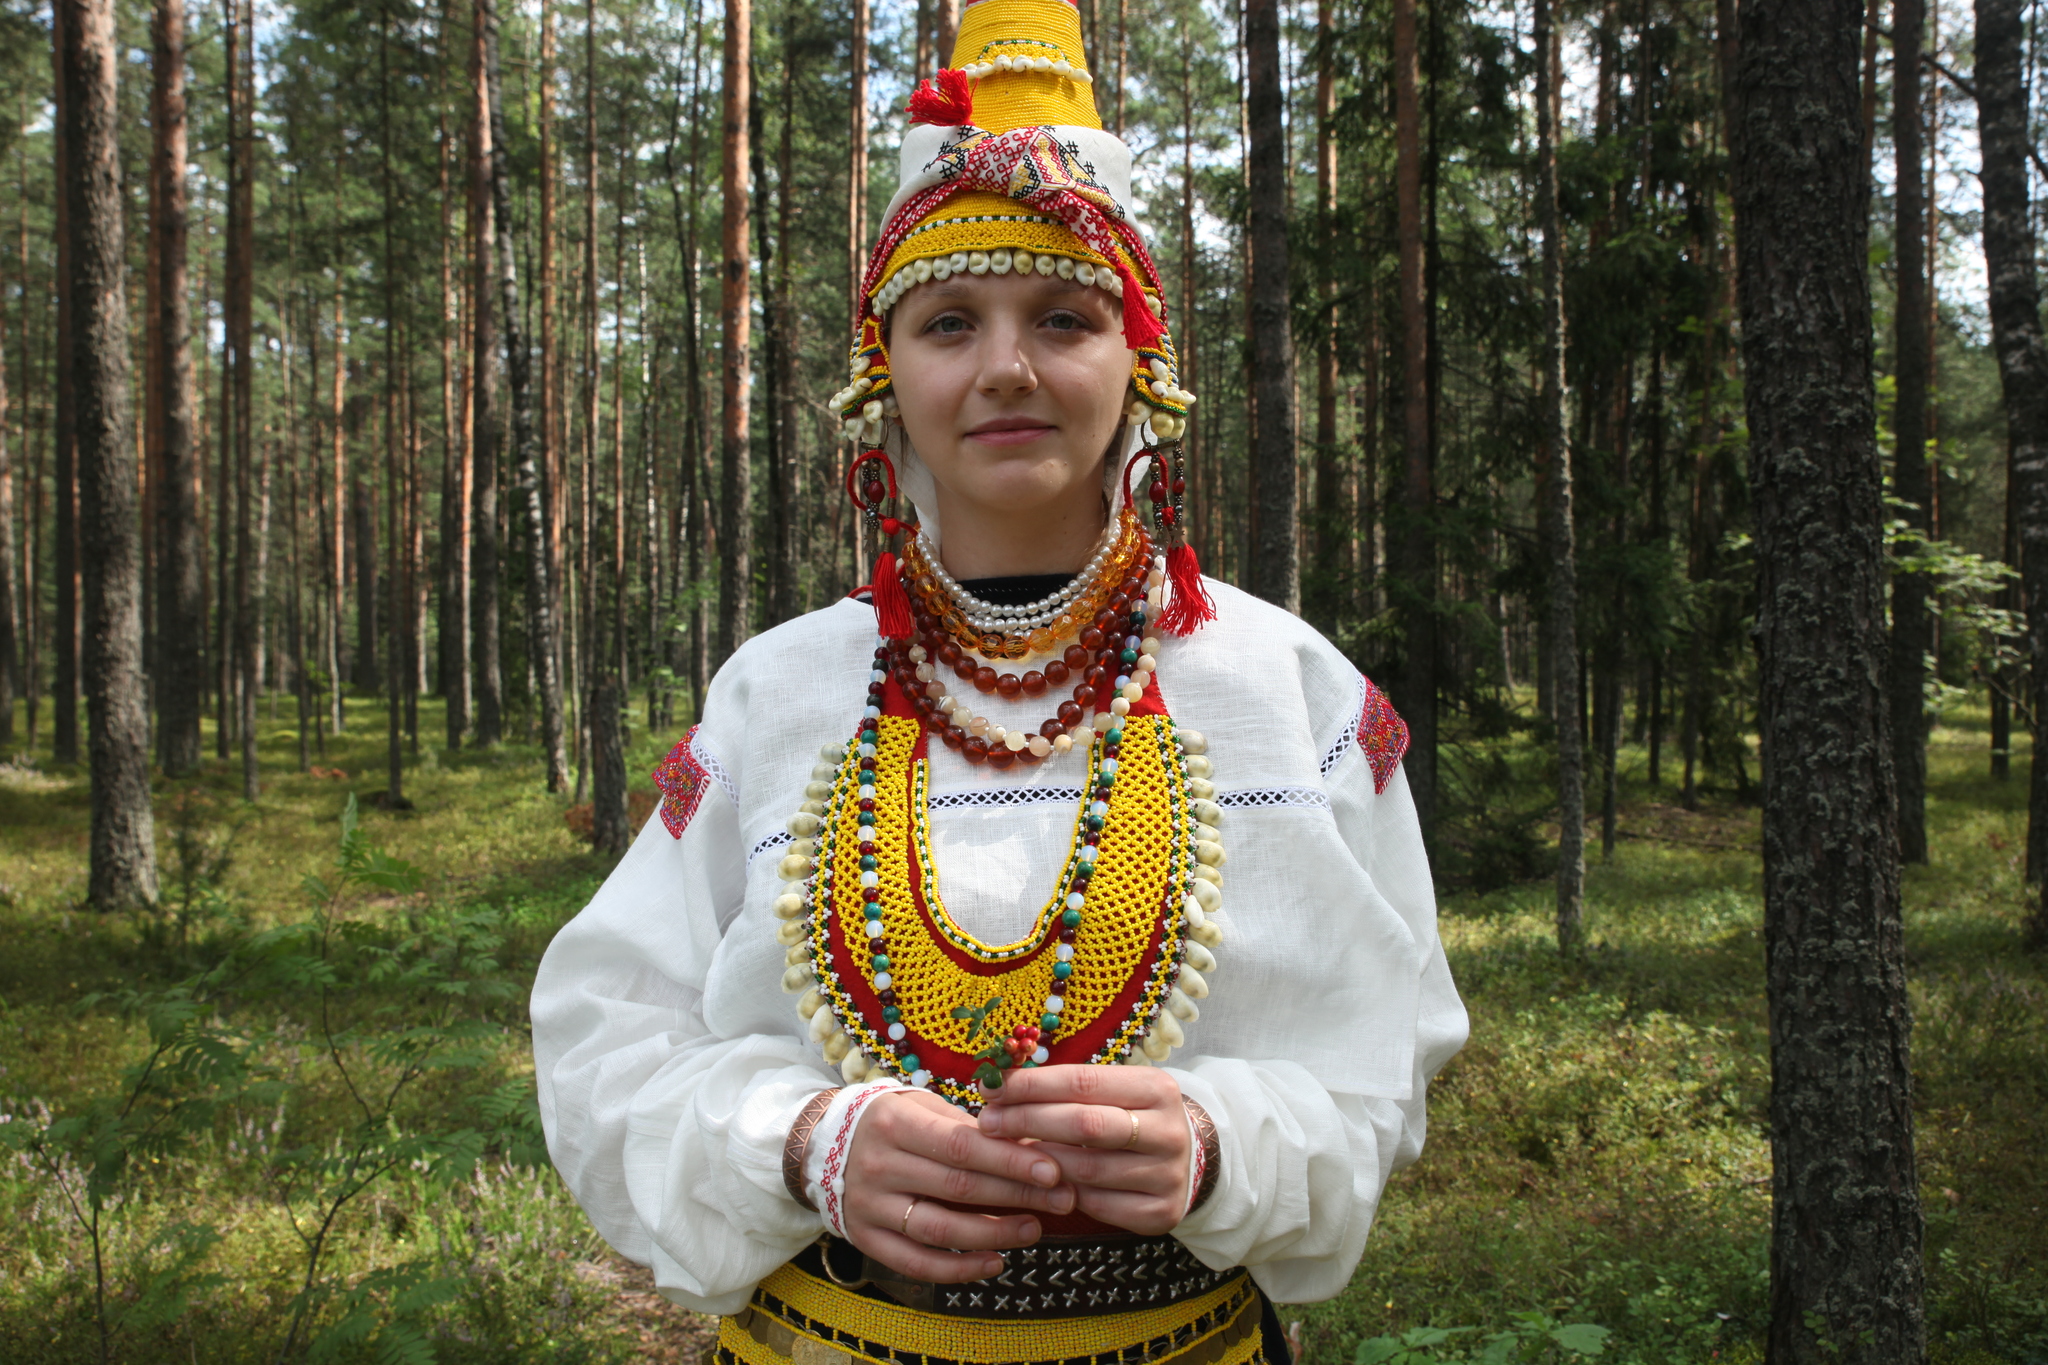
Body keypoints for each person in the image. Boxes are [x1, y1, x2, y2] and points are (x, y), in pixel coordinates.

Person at [531, 4, 1466, 1360]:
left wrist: (1217, 1145)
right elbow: (605, 1034)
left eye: (1065, 319)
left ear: (1138, 361)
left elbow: (1384, 1065)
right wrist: (806, 1139)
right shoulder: (776, 694)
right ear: (883, 373)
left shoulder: (1282, 687)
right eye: (950, 320)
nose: (1007, 369)